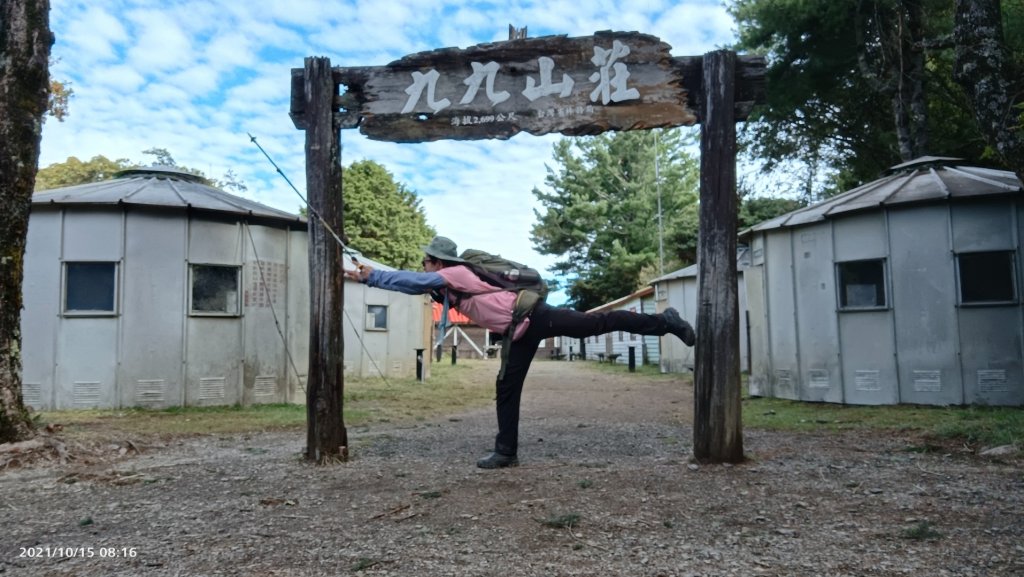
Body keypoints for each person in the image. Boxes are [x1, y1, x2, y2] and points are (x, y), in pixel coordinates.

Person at [345, 236, 696, 469]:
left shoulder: (457, 273)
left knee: (598, 323)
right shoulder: (447, 285)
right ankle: (506, 452)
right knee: (506, 388)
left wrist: (374, 277)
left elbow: (417, 282)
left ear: (437, 262)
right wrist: (367, 275)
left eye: (425, 261)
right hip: (518, 332)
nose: (422, 265)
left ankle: (665, 321)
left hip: (535, 317)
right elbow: (414, 287)